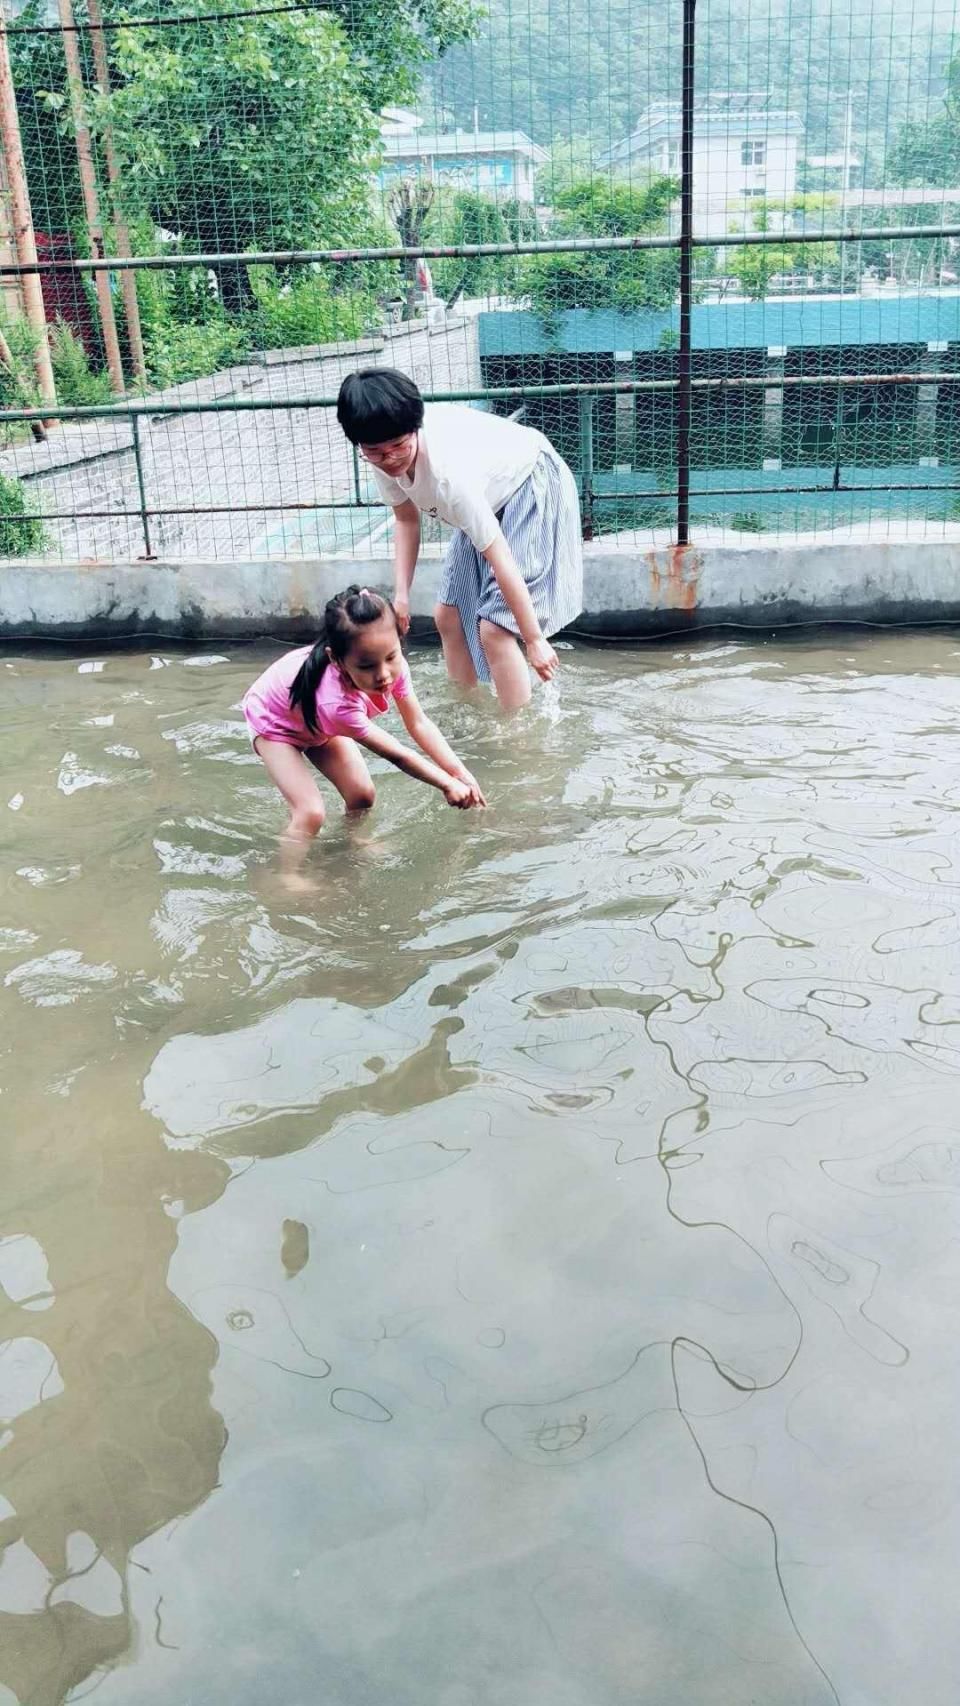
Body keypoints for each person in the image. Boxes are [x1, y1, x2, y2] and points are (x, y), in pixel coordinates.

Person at [336, 368, 584, 710]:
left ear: (415, 429)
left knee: (495, 630)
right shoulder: (383, 458)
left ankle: (516, 731)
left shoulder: (449, 475)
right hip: (489, 496)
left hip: (528, 482)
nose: (389, 458)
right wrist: (402, 597)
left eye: (398, 446)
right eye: (375, 451)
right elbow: (406, 519)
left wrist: (534, 639)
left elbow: (500, 558)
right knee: (448, 615)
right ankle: (466, 709)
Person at [242, 585, 485, 875]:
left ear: (399, 640)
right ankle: (286, 875)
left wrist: (459, 773)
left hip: (314, 720)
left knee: (362, 795)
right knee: (310, 813)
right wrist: (446, 784)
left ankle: (353, 841)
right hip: (275, 723)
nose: (383, 674)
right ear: (337, 661)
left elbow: (419, 723)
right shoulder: (337, 705)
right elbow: (398, 755)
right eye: (367, 666)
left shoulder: (393, 667)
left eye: (391, 657)